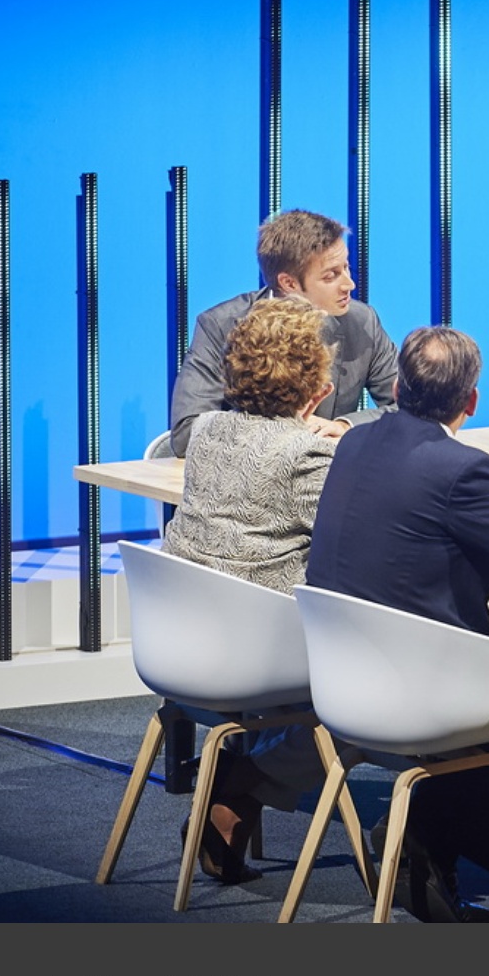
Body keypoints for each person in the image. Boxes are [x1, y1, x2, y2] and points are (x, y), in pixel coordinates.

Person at [305, 325, 489, 923]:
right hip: (425, 685)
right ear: (471, 401)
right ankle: (426, 832)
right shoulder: (464, 468)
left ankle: (425, 833)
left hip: (344, 675)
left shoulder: (357, 443)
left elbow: (422, 534)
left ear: (397, 388)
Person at [161, 295, 338, 884]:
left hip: (179, 645)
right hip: (256, 656)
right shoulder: (308, 454)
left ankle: (237, 787)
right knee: (365, 693)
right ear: (316, 385)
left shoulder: (207, 432)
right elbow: (350, 545)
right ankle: (243, 784)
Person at [167, 207, 398, 458]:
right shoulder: (221, 327)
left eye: (346, 267)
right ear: (289, 283)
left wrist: (346, 426)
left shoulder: (362, 322)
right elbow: (186, 434)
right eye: (331, 276)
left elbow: (413, 409)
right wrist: (282, 432)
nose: (349, 284)